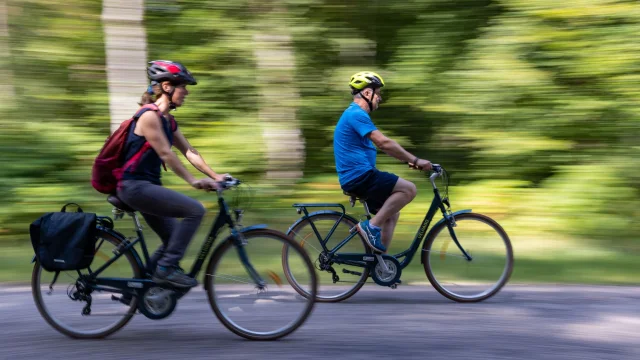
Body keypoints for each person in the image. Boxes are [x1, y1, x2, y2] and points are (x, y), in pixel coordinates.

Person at [117, 60, 228, 288]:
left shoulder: (168, 121)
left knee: (173, 237)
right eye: (183, 86)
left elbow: (189, 151)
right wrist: (193, 181)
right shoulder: (149, 116)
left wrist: (215, 176)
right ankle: (166, 269)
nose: (186, 92)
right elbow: (167, 154)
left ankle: (137, 293)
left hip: (147, 187)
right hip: (134, 186)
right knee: (195, 211)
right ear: (167, 87)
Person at [333, 71, 432, 253]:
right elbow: (384, 143)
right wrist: (415, 159)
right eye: (378, 93)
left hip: (357, 176)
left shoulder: (353, 114)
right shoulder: (356, 114)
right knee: (409, 189)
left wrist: (408, 160)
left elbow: (382, 148)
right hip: (360, 176)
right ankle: (371, 227)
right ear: (367, 93)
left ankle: (381, 265)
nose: (380, 98)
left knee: (391, 213)